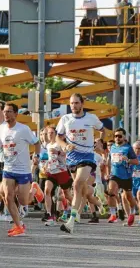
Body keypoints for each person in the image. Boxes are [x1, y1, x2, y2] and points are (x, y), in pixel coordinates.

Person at [0, 103, 40, 236]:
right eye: (5, 111)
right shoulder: (1, 130)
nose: (6, 114)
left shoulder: (23, 129)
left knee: (24, 201)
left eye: (9, 112)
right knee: (8, 197)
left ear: (16, 114)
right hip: (8, 169)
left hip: (23, 170)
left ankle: (34, 190)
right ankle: (19, 226)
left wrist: (37, 156)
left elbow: (36, 142)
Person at [56, 93, 104, 234]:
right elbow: (59, 137)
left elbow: (102, 130)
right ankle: (96, 193)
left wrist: (99, 142)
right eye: (71, 103)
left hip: (87, 156)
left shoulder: (91, 118)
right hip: (72, 157)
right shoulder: (65, 119)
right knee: (81, 189)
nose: (74, 106)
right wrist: (64, 146)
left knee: (76, 185)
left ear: (82, 103)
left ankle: (71, 221)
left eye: (76, 103)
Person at [107, 128, 139, 225]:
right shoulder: (112, 147)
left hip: (126, 176)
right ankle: (113, 214)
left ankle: (132, 212)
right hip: (114, 174)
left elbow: (136, 161)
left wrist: (128, 160)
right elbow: (109, 160)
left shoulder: (128, 148)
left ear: (124, 137)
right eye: (115, 136)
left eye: (119, 136)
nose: (117, 138)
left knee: (129, 197)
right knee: (111, 192)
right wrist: (108, 172)